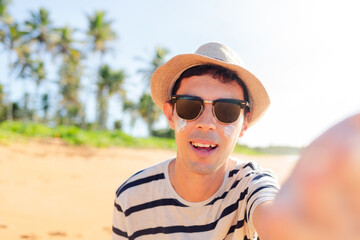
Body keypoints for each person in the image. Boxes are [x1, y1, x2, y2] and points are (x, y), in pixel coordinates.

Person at [112, 42, 360, 240]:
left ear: (245, 123)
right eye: (190, 106)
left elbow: (273, 216)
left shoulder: (250, 185)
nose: (206, 123)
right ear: (170, 114)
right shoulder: (131, 198)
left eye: (227, 111)